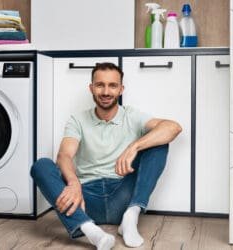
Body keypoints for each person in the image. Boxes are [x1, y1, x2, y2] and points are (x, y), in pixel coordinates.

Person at [31, 62, 182, 249]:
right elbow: (64, 156)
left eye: (112, 85)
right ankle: (91, 231)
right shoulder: (77, 120)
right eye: (100, 85)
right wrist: (73, 183)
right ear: (91, 88)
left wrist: (134, 147)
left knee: (159, 143)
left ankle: (131, 217)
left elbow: (173, 127)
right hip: (85, 200)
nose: (106, 92)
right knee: (41, 165)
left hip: (123, 197)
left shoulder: (132, 116)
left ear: (121, 89)